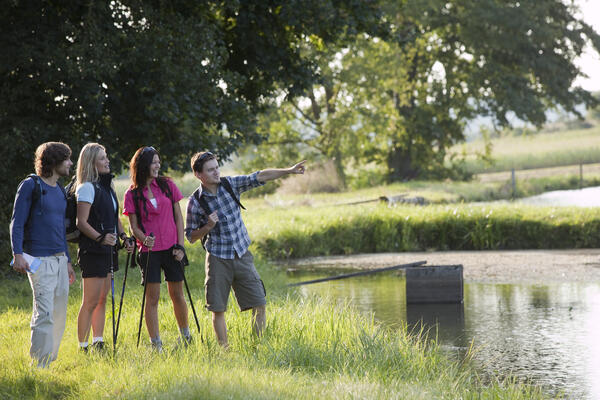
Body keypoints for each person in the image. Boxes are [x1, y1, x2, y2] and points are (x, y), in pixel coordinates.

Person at [185, 151, 306, 348]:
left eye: (217, 167)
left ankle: (257, 347)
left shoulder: (230, 184)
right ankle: (225, 350)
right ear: (198, 174)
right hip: (217, 259)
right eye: (210, 170)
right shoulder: (195, 202)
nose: (216, 172)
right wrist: (207, 227)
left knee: (259, 303)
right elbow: (190, 237)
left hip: (242, 254)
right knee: (218, 309)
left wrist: (289, 170)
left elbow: (259, 176)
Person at [9, 142, 76, 367]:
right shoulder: (31, 185)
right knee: (44, 313)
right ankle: (39, 365)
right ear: (54, 161)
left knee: (58, 314)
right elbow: (16, 223)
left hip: (59, 259)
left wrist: (66, 260)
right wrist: (17, 253)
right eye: (66, 159)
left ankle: (48, 360)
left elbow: (60, 228)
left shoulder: (59, 191)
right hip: (38, 260)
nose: (70, 163)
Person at [123, 146, 190, 352]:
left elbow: (179, 218)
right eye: (154, 162)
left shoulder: (168, 185)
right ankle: (156, 344)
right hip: (149, 251)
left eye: (158, 162)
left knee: (177, 294)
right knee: (152, 298)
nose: (158, 165)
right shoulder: (131, 194)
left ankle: (186, 337)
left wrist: (181, 246)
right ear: (143, 165)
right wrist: (143, 239)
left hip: (172, 249)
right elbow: (133, 226)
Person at [74, 143, 134, 352]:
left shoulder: (107, 187)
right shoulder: (86, 188)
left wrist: (124, 237)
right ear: (92, 163)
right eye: (102, 158)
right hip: (93, 251)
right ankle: (83, 347)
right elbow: (81, 222)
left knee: (102, 299)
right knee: (90, 301)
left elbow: (114, 217)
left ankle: (98, 342)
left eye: (106, 156)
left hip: (108, 249)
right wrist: (100, 238)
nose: (107, 161)